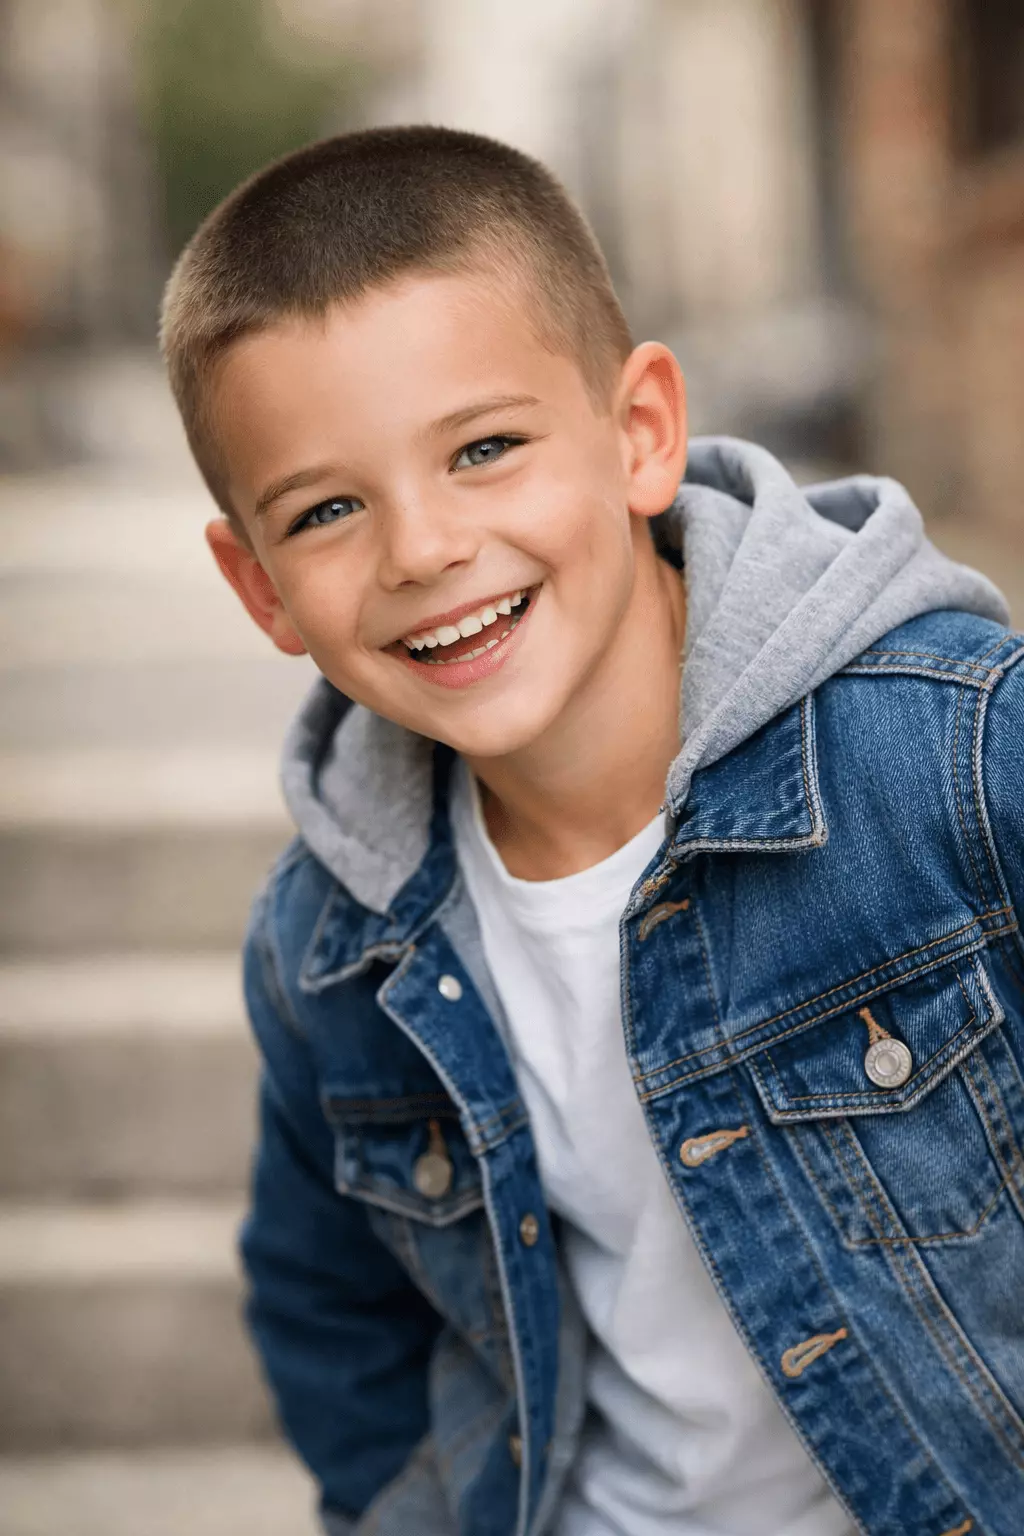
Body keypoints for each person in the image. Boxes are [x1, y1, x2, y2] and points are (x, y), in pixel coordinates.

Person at [159, 126, 1024, 1536]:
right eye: (327, 510)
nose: (423, 549)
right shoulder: (330, 945)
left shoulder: (954, 762)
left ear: (641, 436)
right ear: (260, 588)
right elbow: (334, 1314)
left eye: (484, 449)